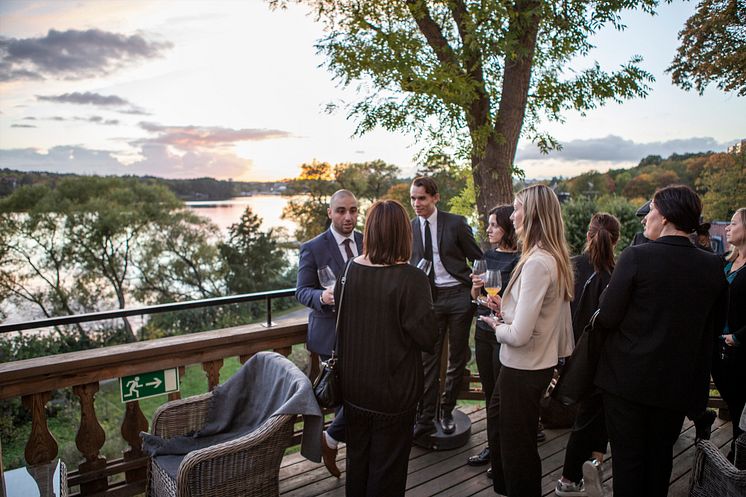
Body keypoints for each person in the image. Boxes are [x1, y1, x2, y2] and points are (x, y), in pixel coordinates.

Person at [593, 185, 728, 497]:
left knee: (628, 464)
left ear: (665, 217)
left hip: (627, 383)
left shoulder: (636, 257)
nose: (645, 219)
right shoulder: (712, 266)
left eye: (650, 211)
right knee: (660, 462)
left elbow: (608, 314)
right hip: (677, 386)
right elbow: (715, 325)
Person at [335, 199, 438, 497]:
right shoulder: (412, 279)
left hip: (354, 389)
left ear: (371, 232)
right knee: (388, 473)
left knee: (358, 464)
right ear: (403, 234)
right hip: (393, 392)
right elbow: (428, 338)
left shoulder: (348, 270)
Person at [480, 184, 575, 497]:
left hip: (524, 367)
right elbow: (541, 317)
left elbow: (520, 335)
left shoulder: (537, 263)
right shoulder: (549, 257)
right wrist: (504, 308)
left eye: (518, 208)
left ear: (532, 215)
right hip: (530, 365)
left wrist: (496, 326)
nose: (513, 214)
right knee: (502, 431)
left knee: (517, 448)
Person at [295, 189, 363, 477]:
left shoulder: (365, 240)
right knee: (339, 397)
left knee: (362, 392)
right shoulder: (313, 247)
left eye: (353, 210)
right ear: (330, 213)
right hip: (330, 335)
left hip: (364, 332)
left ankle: (333, 440)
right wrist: (322, 298)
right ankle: (342, 451)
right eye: (341, 211)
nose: (348, 217)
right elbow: (301, 291)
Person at [409, 176, 483, 440]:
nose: (416, 204)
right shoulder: (410, 228)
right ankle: (426, 417)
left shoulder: (456, 223)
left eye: (422, 198)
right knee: (428, 360)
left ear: (435, 197)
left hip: (459, 297)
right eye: (413, 198)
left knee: (457, 358)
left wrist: (476, 287)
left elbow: (478, 258)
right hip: (430, 301)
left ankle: (447, 411)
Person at [555, 213, 620, 497]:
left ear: (588, 236)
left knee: (585, 417)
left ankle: (575, 477)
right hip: (609, 360)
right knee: (598, 416)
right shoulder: (618, 274)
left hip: (577, 354)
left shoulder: (572, 268)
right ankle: (588, 469)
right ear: (615, 240)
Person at [466, 204, 519, 468]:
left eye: (494, 225)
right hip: (484, 332)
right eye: (488, 224)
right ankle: (492, 447)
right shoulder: (486, 255)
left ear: (508, 228)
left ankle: (504, 455)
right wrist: (476, 289)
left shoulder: (520, 260)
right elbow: (475, 299)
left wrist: (492, 298)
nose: (488, 229)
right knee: (489, 394)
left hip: (505, 335)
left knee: (504, 397)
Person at [712, 207, 746, 462]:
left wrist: (738, 337)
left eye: (733, 223)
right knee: (732, 402)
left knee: (739, 405)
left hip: (739, 349)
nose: (727, 227)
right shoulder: (725, 260)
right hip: (717, 347)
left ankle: (739, 456)